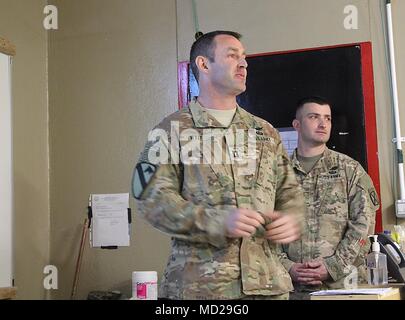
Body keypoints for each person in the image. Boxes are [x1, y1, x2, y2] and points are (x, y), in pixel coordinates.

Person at [131, 30, 304, 300]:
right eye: (232, 55)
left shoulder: (264, 132)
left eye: (244, 57)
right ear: (204, 64)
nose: (244, 63)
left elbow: (290, 192)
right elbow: (150, 199)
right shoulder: (171, 131)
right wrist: (217, 220)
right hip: (203, 290)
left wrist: (292, 218)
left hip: (268, 286)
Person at [281, 96, 379, 299]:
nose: (323, 123)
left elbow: (364, 225)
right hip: (288, 288)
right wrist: (287, 266)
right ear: (297, 125)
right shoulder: (277, 173)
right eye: (314, 116)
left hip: (341, 287)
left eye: (327, 118)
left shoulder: (350, 170)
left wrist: (333, 266)